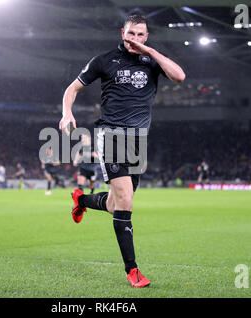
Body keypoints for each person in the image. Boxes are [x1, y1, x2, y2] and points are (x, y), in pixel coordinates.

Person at [59, 15, 185, 288]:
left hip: (138, 140)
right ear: (122, 33)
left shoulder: (152, 60)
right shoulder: (104, 60)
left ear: (146, 37)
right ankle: (133, 271)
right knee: (126, 200)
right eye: (131, 34)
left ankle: (81, 200)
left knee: (116, 204)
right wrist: (67, 112)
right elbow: (73, 88)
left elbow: (179, 76)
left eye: (141, 35)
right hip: (111, 134)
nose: (135, 40)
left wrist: (149, 52)